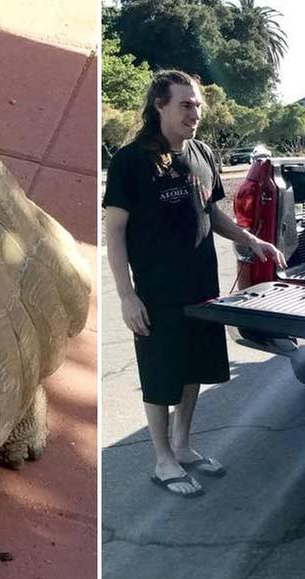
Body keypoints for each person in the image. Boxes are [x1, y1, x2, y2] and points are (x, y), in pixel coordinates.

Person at [102, 70, 286, 498]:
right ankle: (163, 460)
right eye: (185, 104)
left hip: (201, 285)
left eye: (198, 105)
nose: (195, 113)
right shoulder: (131, 162)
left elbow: (213, 214)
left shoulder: (202, 153)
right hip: (156, 291)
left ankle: (183, 447)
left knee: (192, 370)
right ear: (159, 106)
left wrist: (252, 239)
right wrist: (127, 296)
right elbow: (114, 232)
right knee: (160, 375)